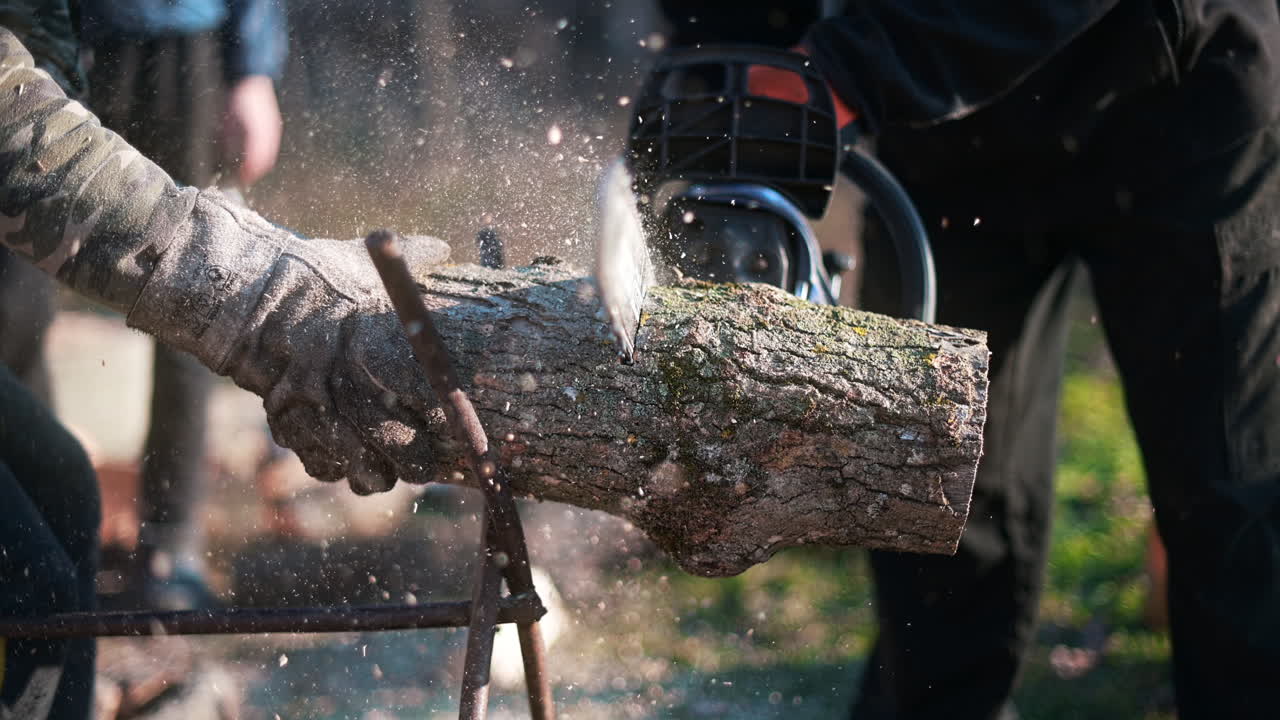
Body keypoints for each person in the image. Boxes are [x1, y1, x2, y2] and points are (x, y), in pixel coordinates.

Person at [661, 2, 1280, 718]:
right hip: (945, 149)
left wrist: (850, 69)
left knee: (1228, 489)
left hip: (1175, 100)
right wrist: (731, 66)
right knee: (933, 492)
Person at [0, 11, 445, 717]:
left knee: (62, 495)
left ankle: (165, 546)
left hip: (166, 32)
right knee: (36, 567)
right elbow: (19, 138)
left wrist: (252, 67)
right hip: (44, 78)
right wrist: (251, 290)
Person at [74, 0, 287, 610]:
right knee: (14, 311)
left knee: (192, 293)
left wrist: (251, 66)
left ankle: (169, 546)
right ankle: (43, 537)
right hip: (39, 40)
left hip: (181, 37)